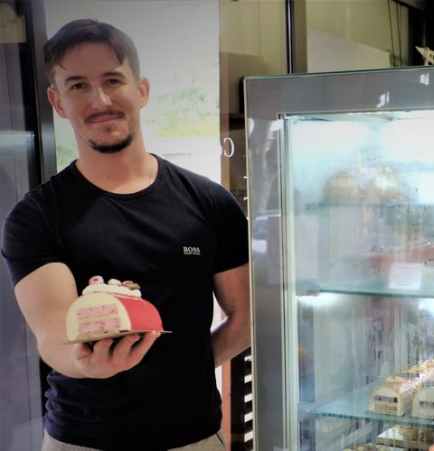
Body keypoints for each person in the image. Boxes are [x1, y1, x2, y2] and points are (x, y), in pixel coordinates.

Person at [0, 19, 251, 450]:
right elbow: (54, 334)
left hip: (194, 436)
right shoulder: (35, 217)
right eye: (78, 86)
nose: (100, 100)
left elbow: (245, 318)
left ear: (142, 90)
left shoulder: (211, 203)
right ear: (57, 102)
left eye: (113, 80)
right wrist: (85, 361)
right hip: (81, 440)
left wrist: (181, 366)